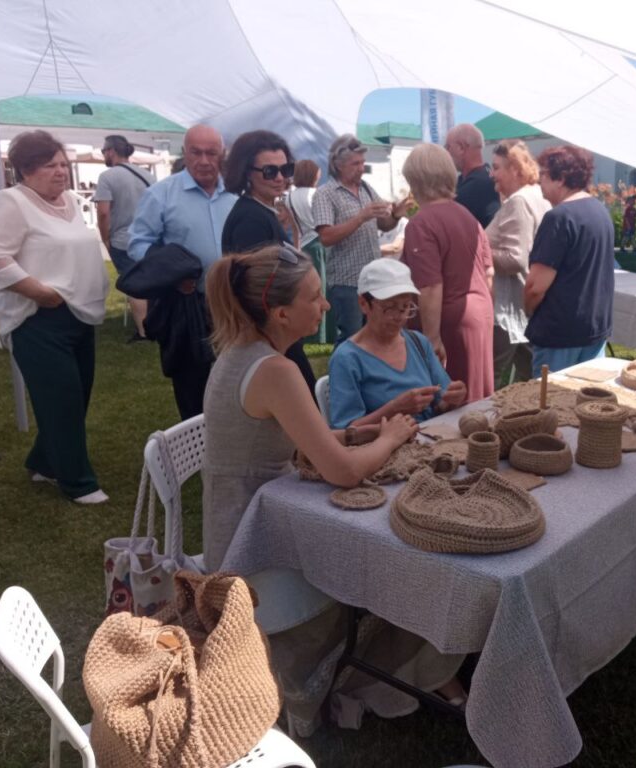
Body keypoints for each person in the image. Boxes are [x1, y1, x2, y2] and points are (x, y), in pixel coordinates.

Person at [203, 242, 464, 734]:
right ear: (281, 312)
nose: (325, 307)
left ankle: (382, 671)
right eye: (315, 297)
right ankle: (357, 678)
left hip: (246, 512)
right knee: (390, 558)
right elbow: (343, 471)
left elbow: (310, 439)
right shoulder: (275, 370)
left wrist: (355, 433)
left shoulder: (245, 350)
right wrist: (387, 436)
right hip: (252, 538)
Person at [0, 130, 110, 503]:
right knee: (62, 398)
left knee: (76, 395)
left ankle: (43, 462)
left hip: (79, 314)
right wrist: (39, 291)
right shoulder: (12, 201)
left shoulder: (67, 199)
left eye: (63, 164)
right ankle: (77, 481)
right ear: (26, 169)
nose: (61, 172)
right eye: (50, 165)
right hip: (38, 318)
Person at [128, 124, 237, 418]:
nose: (204, 160)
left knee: (237, 377)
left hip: (233, 303)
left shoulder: (236, 195)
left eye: (211, 153)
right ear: (184, 153)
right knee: (192, 382)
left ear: (221, 155)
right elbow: (138, 244)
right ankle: (196, 448)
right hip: (187, 304)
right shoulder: (161, 194)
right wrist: (171, 276)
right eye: (196, 152)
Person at [221, 129, 316, 395]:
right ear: (246, 173)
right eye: (269, 171)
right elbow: (257, 289)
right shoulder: (250, 218)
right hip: (268, 337)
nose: (280, 178)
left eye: (286, 169)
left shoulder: (263, 211)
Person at [400, 143, 495, 400]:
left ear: (416, 181)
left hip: (450, 323)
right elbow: (488, 273)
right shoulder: (467, 215)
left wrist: (431, 339)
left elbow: (430, 285)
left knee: (453, 403)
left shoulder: (422, 223)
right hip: (479, 315)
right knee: (479, 399)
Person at [328, 259, 467, 429]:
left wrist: (452, 400)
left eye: (405, 307)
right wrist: (394, 409)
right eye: (389, 307)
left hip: (430, 439)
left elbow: (440, 405)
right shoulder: (347, 358)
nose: (399, 316)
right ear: (364, 304)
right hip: (382, 450)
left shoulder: (418, 342)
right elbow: (346, 432)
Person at [524, 145, 614, 377]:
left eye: (543, 174)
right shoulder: (600, 211)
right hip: (593, 326)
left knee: (551, 406)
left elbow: (535, 287)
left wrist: (528, 310)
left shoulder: (559, 218)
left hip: (560, 333)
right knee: (586, 404)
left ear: (561, 178)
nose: (538, 181)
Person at [313, 133, 406, 343]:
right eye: (355, 163)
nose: (361, 167)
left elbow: (384, 224)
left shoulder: (366, 188)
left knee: (372, 335)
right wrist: (360, 217)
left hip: (372, 278)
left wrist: (396, 214)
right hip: (347, 281)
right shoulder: (326, 194)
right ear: (338, 165)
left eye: (363, 162)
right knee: (351, 337)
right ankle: (342, 374)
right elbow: (326, 237)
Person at [485, 139, 550, 385]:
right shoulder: (535, 195)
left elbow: (515, 258)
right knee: (530, 376)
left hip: (510, 306)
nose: (492, 174)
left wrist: (479, 249)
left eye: (497, 167)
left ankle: (482, 419)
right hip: (526, 303)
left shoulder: (519, 201)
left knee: (489, 373)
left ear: (514, 168)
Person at [93, 134, 155, 342]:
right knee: (151, 284)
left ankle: (144, 332)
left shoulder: (107, 177)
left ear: (111, 151)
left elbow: (103, 212)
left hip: (123, 240)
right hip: (149, 240)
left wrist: (105, 239)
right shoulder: (148, 175)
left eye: (103, 151)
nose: (103, 155)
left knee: (134, 286)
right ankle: (158, 324)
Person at [445, 123, 500, 228]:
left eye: (448, 147)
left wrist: (410, 210)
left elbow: (435, 220)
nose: (446, 153)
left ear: (461, 147)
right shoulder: (484, 175)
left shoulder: (475, 186)